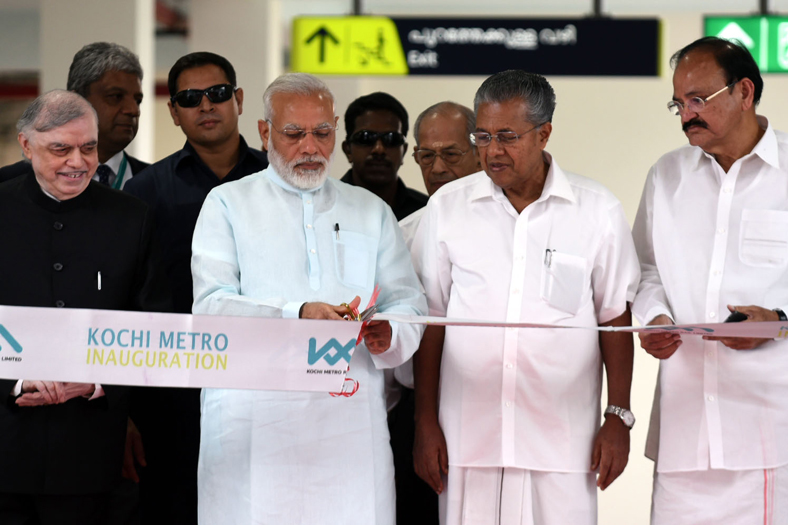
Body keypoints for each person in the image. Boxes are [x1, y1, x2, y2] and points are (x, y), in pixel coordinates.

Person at [191, 72, 426, 524]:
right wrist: (297, 314)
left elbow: (409, 303)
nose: (310, 148)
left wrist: (388, 332)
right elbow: (211, 308)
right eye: (294, 134)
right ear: (264, 133)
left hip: (348, 420)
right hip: (252, 422)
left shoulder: (370, 210)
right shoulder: (226, 204)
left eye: (322, 133)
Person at [411, 70, 640, 525]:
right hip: (467, 438)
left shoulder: (596, 211)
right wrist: (425, 423)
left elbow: (615, 318)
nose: (492, 151)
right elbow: (430, 320)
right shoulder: (447, 208)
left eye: (507, 137)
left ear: (544, 133)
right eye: (483, 136)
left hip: (561, 441)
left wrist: (618, 417)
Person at [632, 37, 788, 523]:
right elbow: (645, 269)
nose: (686, 115)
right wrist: (653, 316)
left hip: (771, 433)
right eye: (679, 103)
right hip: (685, 431)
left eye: (699, 100)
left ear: (744, 92)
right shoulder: (667, 175)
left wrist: (779, 320)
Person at [0, 90, 169, 525]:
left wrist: (97, 380)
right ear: (26, 146)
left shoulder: (132, 217)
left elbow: (153, 324)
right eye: (61, 149)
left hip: (92, 451)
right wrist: (16, 380)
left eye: (88, 147)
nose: (78, 162)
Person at [123, 52, 267, 525]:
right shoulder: (145, 192)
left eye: (218, 93)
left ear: (239, 100)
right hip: (171, 393)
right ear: (174, 112)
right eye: (189, 98)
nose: (206, 105)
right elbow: (125, 299)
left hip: (263, 379)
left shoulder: (278, 181)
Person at [388, 101, 480, 525]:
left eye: (451, 154)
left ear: (481, 151)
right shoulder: (402, 235)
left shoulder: (517, 230)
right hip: (417, 414)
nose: (437, 167)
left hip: (487, 406)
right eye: (426, 156)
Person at [0, 42, 147, 187]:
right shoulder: (10, 182)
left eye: (137, 100)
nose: (133, 110)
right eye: (116, 96)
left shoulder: (160, 184)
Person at [341, 91, 428, 220]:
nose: (379, 149)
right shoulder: (322, 207)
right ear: (348, 150)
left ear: (404, 151)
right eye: (366, 137)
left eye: (391, 138)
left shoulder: (425, 213)